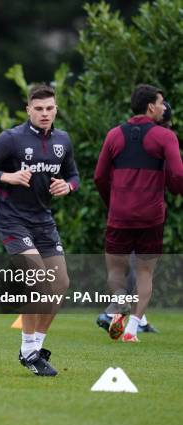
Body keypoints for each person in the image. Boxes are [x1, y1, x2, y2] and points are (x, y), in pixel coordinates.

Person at [0, 84, 80, 376]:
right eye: (39, 109)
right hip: (12, 220)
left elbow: (73, 175)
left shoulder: (62, 140)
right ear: (28, 110)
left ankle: (34, 349)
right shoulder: (12, 138)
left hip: (43, 221)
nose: (45, 114)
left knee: (60, 285)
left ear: (56, 109)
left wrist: (67, 186)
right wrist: (8, 175)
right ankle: (28, 348)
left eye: (49, 109)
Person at [94, 85, 183, 342]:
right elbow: (177, 175)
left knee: (115, 271)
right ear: (151, 107)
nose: (164, 107)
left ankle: (119, 308)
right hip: (151, 216)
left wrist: (113, 202)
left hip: (119, 215)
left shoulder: (114, 135)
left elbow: (99, 176)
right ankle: (132, 328)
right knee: (145, 273)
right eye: (161, 102)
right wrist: (176, 189)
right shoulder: (165, 136)